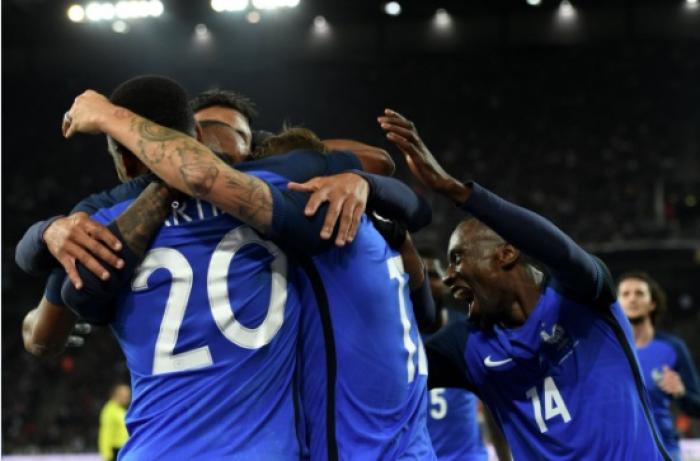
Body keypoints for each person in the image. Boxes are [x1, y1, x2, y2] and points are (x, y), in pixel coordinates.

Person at [61, 90, 436, 459]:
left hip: (342, 446)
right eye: (206, 132)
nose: (217, 142)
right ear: (192, 136)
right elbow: (403, 199)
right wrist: (44, 233)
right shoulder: (321, 217)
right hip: (372, 443)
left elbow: (60, 314)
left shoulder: (292, 201)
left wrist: (106, 117)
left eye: (238, 134)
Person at [374, 108, 674, 460]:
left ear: (506, 254)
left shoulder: (580, 297)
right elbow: (388, 371)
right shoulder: (466, 345)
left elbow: (561, 250)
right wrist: (393, 242)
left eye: (457, 258)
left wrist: (461, 193)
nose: (450, 275)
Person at [420, 250, 510, 461]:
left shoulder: (466, 331)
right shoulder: (397, 336)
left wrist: (505, 457)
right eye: (421, 275)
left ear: (445, 281)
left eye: (433, 275)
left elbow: (491, 402)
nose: (426, 283)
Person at [618, 272, 700, 461]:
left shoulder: (672, 347)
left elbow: (697, 406)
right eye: (625, 294)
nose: (632, 299)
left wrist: (681, 393)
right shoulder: (606, 349)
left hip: (663, 451)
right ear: (617, 304)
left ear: (652, 303)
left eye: (639, 293)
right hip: (619, 453)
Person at [98, 384, 130, 461]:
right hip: (115, 451)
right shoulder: (110, 410)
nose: (127, 398)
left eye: (128, 395)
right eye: (125, 396)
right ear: (117, 395)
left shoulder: (121, 409)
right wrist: (106, 454)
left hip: (124, 449)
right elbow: (106, 432)